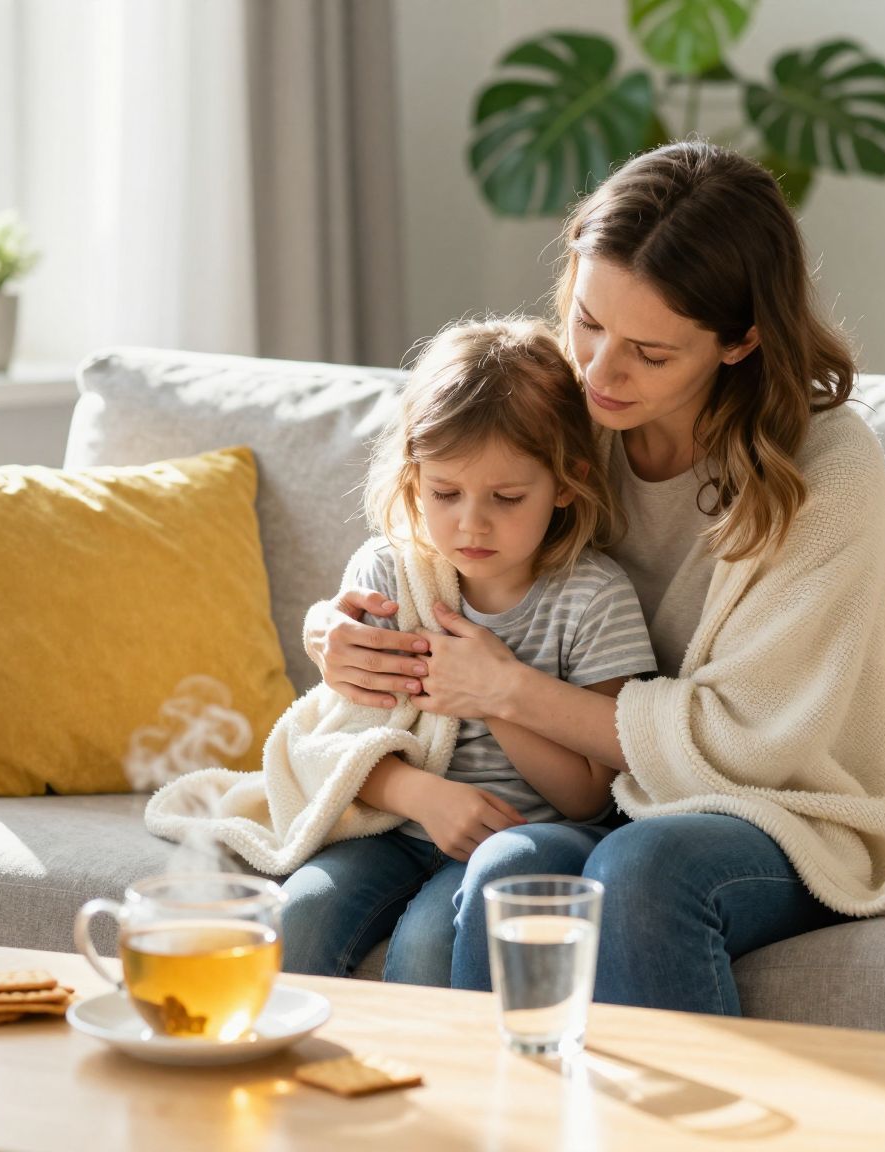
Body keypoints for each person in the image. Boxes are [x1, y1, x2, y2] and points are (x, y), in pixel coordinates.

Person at [306, 141, 885, 1015]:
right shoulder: (565, 414)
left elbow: (758, 741)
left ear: (740, 340)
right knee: (512, 875)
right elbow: (431, 545)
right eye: (587, 321)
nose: (599, 371)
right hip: (594, 796)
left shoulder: (825, 466)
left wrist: (504, 691)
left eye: (650, 353)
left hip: (786, 803)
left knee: (647, 869)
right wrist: (335, 631)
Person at [279, 317, 656, 985]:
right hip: (397, 824)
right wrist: (422, 797)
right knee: (296, 916)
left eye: (507, 497)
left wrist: (495, 692)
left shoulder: (593, 599)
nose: (471, 523)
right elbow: (339, 742)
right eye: (444, 493)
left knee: (429, 944)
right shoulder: (391, 577)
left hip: (521, 840)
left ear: (566, 482)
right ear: (412, 478)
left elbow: (587, 797)